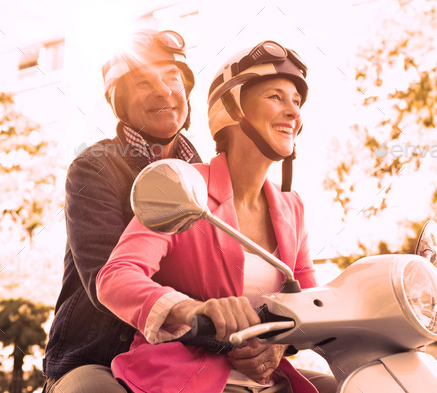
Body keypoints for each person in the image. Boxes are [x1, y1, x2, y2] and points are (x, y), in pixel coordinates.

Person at [96, 41, 337, 393]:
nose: (293, 112)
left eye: (296, 102)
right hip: (186, 378)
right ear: (234, 107)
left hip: (269, 380)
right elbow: (115, 277)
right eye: (276, 97)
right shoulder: (180, 184)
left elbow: (309, 301)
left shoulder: (292, 206)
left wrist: (280, 345)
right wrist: (191, 310)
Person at [42, 30, 202, 393]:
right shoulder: (93, 168)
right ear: (121, 100)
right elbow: (106, 282)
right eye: (144, 82)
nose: (163, 90)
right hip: (96, 355)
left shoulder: (205, 177)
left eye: (172, 77)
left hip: (184, 357)